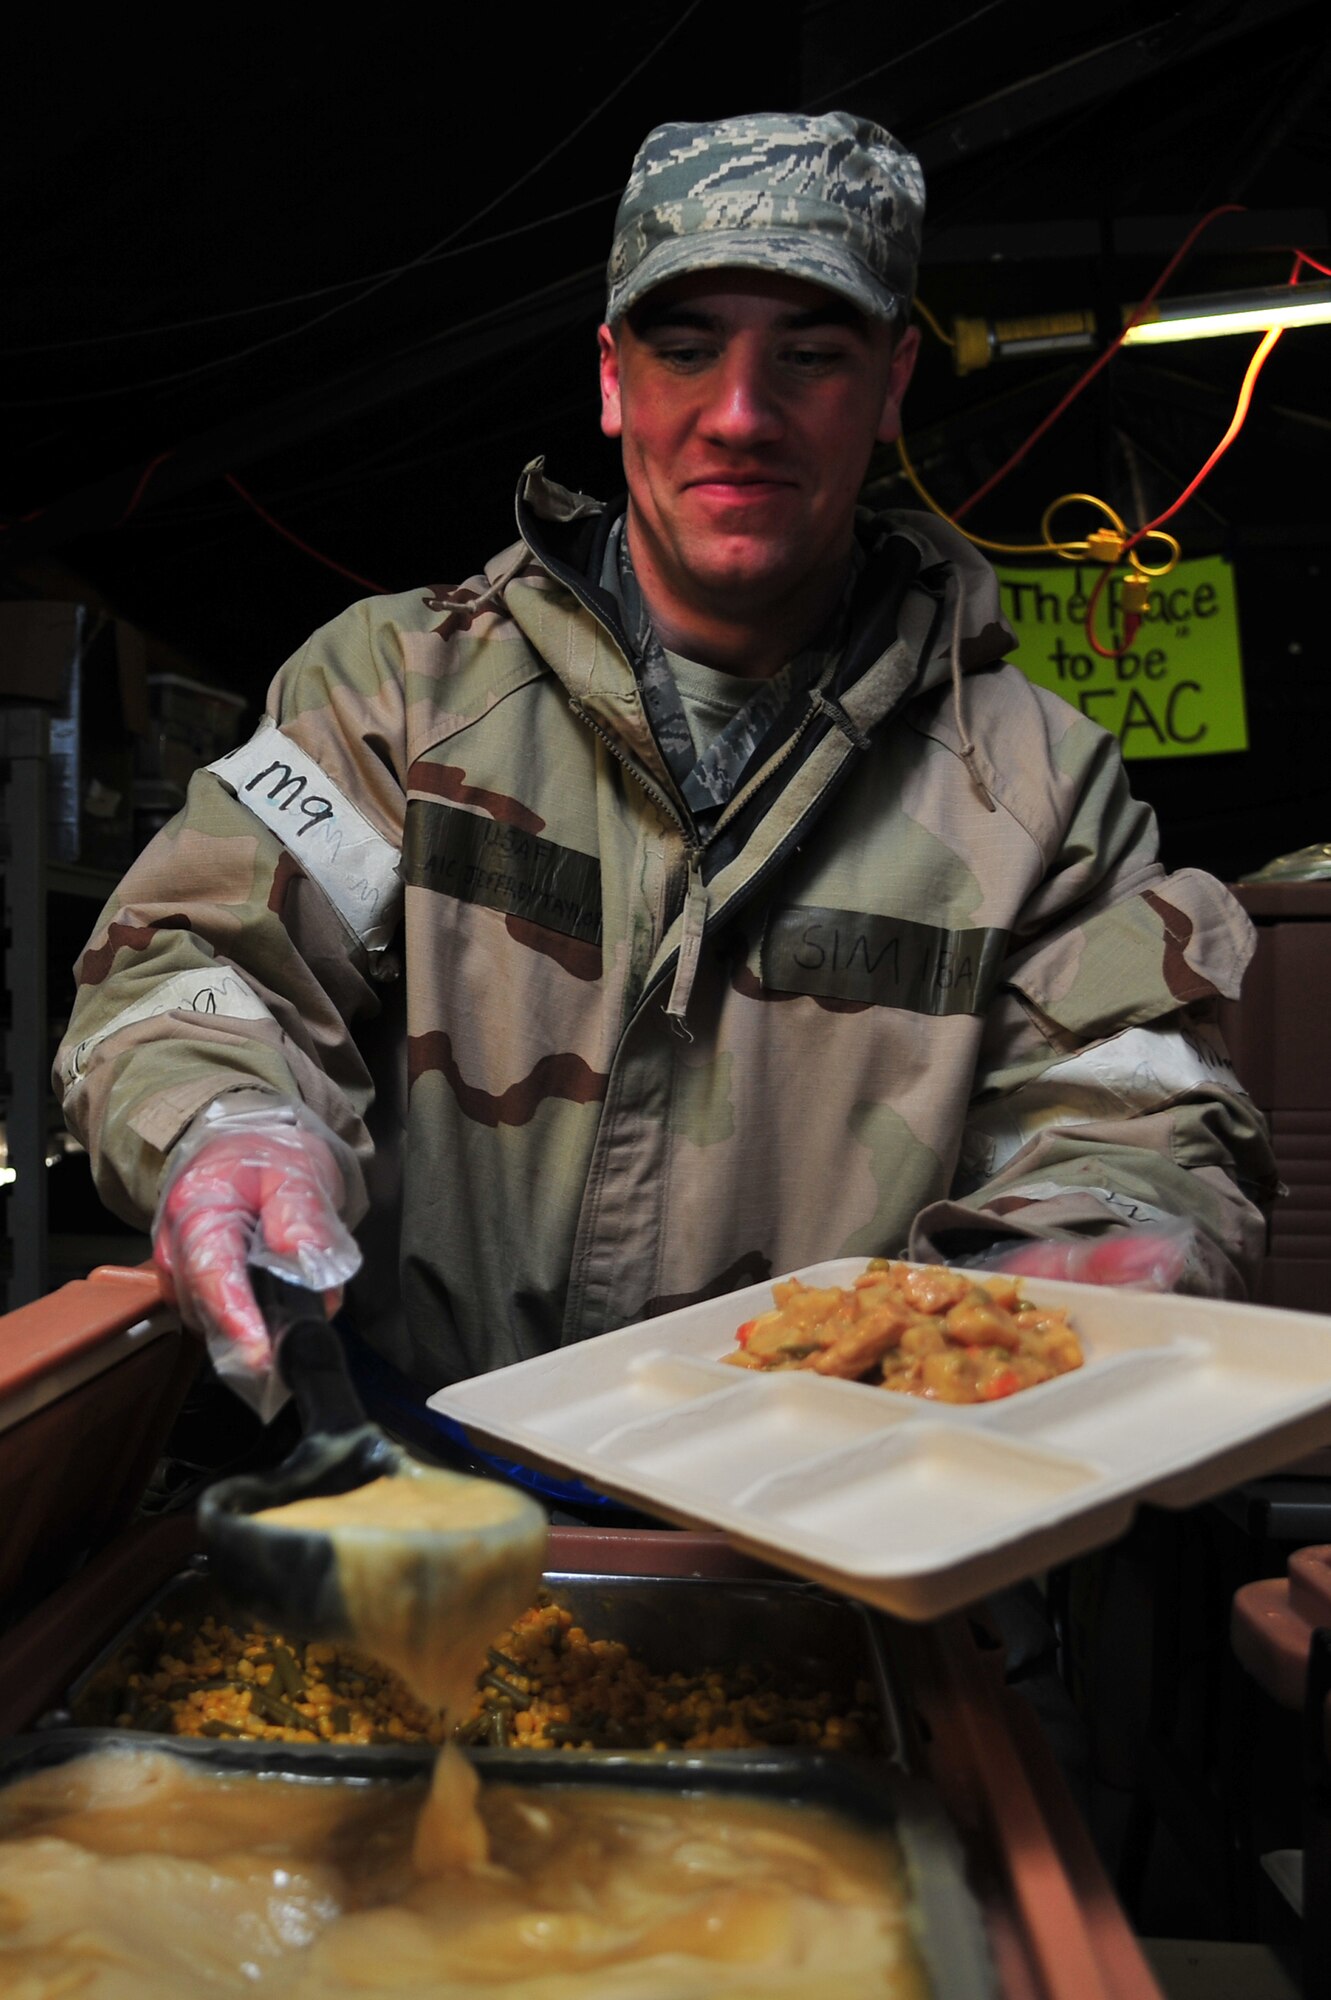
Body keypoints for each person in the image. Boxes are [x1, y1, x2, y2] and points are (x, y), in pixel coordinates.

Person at [55, 112, 1274, 1410]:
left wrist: (1092, 1242)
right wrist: (225, 1122)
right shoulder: (396, 695)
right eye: (685, 351)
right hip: (423, 1491)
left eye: (810, 355)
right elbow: (193, 957)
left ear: (893, 383)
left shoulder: (1038, 792)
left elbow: (1134, 1118)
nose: (740, 415)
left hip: (846, 1501)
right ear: (611, 377)